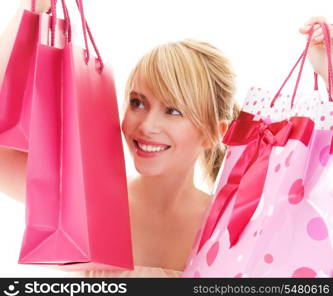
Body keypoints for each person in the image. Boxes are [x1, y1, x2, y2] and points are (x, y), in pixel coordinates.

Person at [0, 0, 332, 278]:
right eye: (137, 102)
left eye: (173, 111)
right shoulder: (86, 200)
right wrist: (29, 13)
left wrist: (328, 74)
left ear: (213, 134)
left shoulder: (232, 223)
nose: (146, 125)